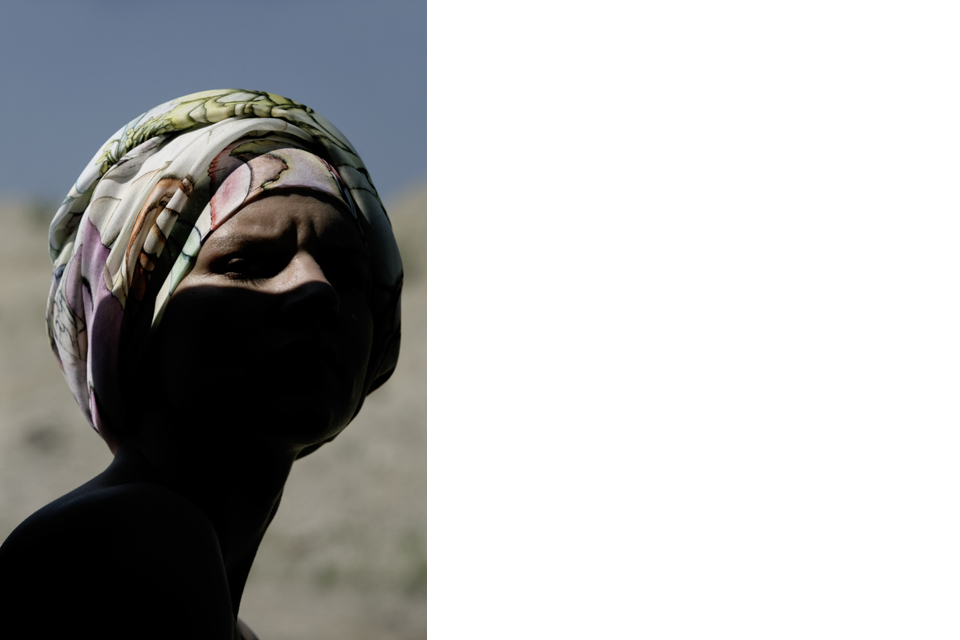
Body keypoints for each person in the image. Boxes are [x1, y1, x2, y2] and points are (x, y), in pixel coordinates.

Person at [0, 90, 403, 639]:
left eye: (345, 271)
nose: (318, 289)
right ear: (137, 322)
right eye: (245, 263)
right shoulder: (131, 540)